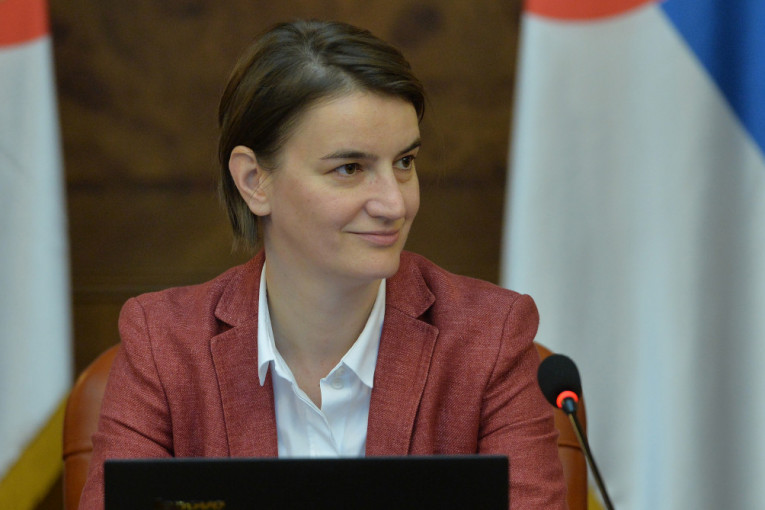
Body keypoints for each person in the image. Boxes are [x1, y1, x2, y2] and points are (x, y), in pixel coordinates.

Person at [79, 19, 567, 509]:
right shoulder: (165, 345)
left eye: (404, 162)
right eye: (350, 168)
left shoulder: (489, 338)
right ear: (254, 181)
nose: (395, 204)